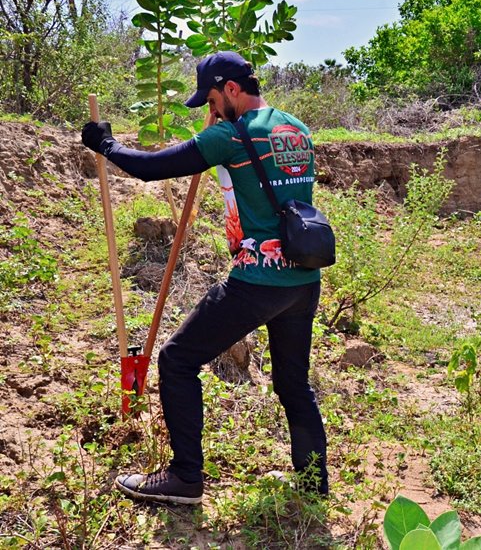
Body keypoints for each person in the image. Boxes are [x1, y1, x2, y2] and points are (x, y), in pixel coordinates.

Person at [81, 51, 328, 504]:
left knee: (176, 360)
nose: (211, 112)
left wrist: (106, 144)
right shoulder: (297, 128)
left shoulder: (229, 135)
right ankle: (313, 484)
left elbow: (151, 168)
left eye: (213, 100)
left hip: (258, 280)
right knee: (293, 382)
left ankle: (186, 478)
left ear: (231, 90)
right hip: (303, 279)